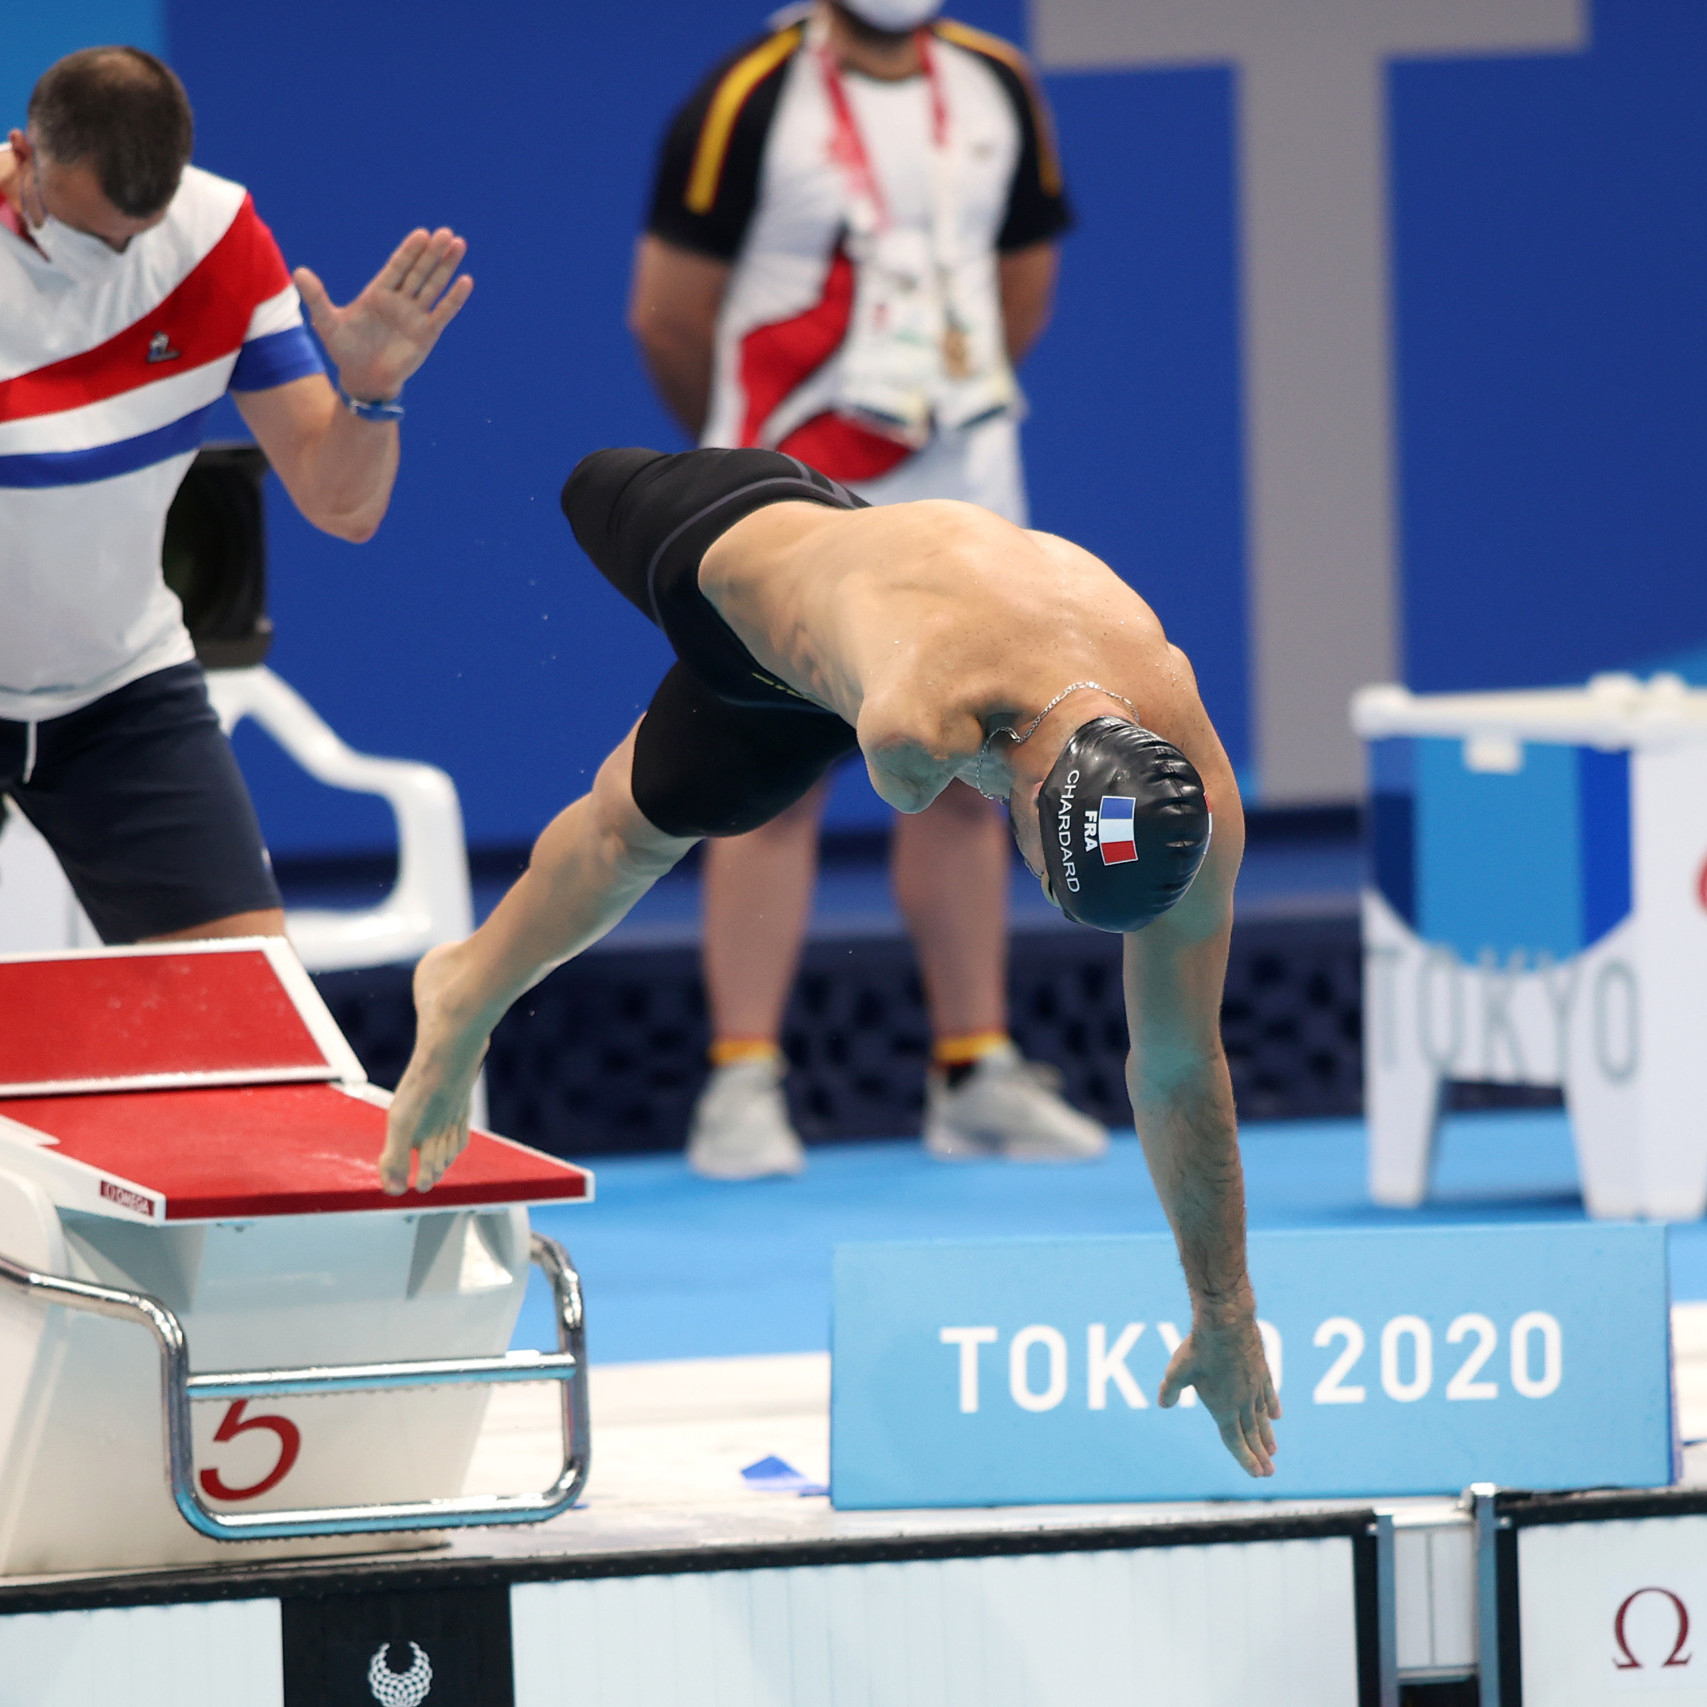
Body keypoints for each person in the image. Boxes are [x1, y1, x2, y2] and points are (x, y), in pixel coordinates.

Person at [378, 445, 1281, 1479]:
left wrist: (1224, 1309)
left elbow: (1179, 1063)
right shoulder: (915, 725)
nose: (1032, 884)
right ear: (1029, 805)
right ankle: (465, 994)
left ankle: (464, 986)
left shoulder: (1194, 800)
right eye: (1042, 879)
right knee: (585, 489)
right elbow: (909, 760)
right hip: (736, 561)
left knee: (638, 825)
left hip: (823, 667)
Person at [630, 0, 1098, 1179]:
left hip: (964, 487)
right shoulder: (745, 100)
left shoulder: (998, 84)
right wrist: (746, 462)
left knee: (973, 774)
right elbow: (668, 317)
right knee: (770, 784)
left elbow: (1023, 288)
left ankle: (974, 1068)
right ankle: (741, 1080)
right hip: (794, 496)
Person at [0, 47, 471, 944]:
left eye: (135, 236)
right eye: (90, 235)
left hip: (117, 694)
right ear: (24, 155)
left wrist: (370, 393)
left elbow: (342, 507)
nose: (112, 263)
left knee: (239, 1002)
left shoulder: (217, 240)